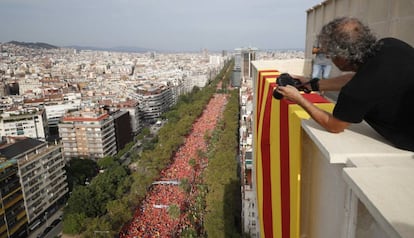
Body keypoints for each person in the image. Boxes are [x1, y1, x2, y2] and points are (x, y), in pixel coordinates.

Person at [275, 17, 414, 152]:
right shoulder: (390, 45)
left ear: (342, 56)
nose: (330, 58)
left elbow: (334, 125)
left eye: (331, 54)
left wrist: (299, 99)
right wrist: (311, 85)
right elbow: (359, 78)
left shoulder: (357, 91)